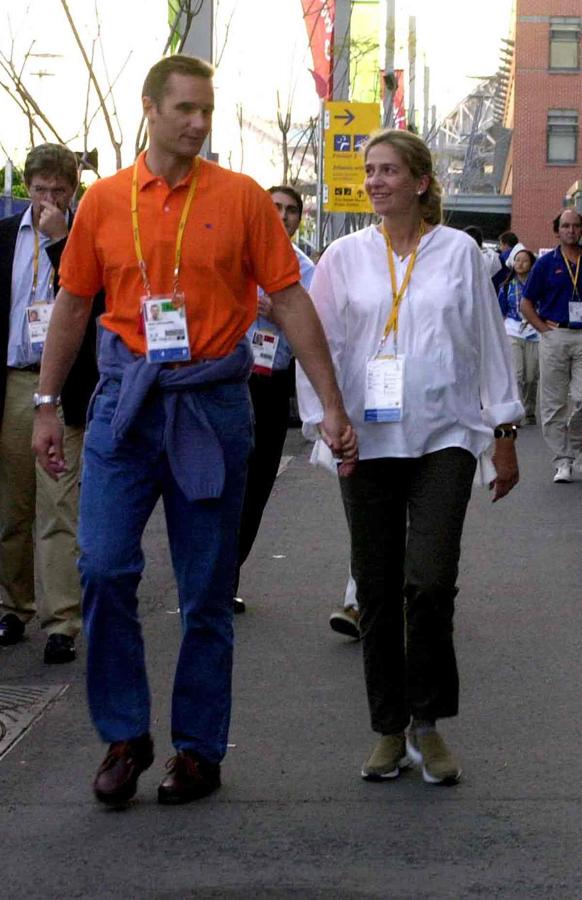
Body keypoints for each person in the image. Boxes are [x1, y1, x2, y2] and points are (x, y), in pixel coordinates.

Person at [32, 54, 356, 808]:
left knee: (207, 591)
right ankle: (125, 733)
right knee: (105, 569)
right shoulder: (107, 201)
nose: (200, 123)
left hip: (211, 405)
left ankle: (199, 749)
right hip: (127, 401)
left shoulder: (241, 198)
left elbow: (291, 302)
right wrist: (49, 403)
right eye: (185, 109)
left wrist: (330, 405)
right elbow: (75, 306)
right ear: (150, 109)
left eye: (207, 110)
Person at [298, 128, 522, 786]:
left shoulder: (459, 254)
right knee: (375, 588)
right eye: (369, 171)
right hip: (364, 442)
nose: (374, 181)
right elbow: (320, 347)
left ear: (421, 182)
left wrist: (503, 432)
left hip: (444, 437)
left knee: (426, 582)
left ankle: (428, 722)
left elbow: (487, 342)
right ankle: (388, 730)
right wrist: (324, 422)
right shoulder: (343, 258)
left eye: (388, 170)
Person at [0, 143, 100, 664]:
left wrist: (61, 240)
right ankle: (14, 606)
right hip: (17, 382)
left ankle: (62, 620)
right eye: (40, 191)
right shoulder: (5, 237)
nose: (47, 201)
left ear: (72, 191)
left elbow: (91, 303)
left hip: (64, 388)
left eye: (59, 192)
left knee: (59, 505)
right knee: (12, 503)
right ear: (27, 189)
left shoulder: (84, 236)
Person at [234, 185, 315, 614]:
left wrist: (277, 310)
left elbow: (312, 325)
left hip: (271, 382)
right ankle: (211, 574)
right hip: (226, 378)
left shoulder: (305, 269)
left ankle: (229, 572)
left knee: (258, 482)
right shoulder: (233, 253)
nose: (282, 216)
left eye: (290, 211)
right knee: (219, 480)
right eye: (275, 208)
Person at [520, 209, 582, 483]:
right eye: (566, 226)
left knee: (580, 399)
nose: (571, 230)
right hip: (555, 335)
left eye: (576, 226)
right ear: (557, 231)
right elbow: (526, 302)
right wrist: (544, 330)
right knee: (554, 402)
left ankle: (576, 448)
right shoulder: (546, 263)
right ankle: (563, 460)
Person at [498, 248, 539, 425]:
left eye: (524, 261)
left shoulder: (539, 285)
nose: (520, 264)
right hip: (512, 331)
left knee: (531, 377)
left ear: (531, 264)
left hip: (534, 332)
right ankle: (517, 413)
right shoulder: (506, 286)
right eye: (517, 260)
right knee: (517, 374)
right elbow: (500, 312)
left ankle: (530, 410)